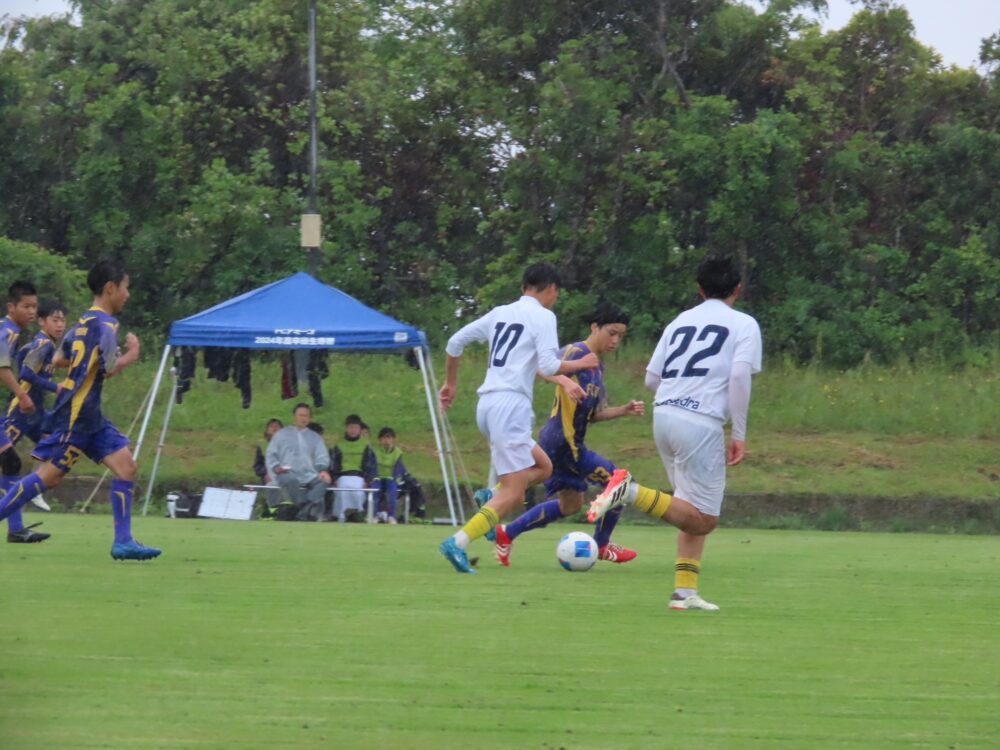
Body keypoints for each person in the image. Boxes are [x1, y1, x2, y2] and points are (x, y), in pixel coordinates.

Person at [589, 254, 762, 611]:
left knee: (687, 506)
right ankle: (629, 490)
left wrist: (679, 395)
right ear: (738, 289)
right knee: (705, 519)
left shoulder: (680, 321)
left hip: (664, 414)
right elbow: (739, 376)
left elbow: (652, 379)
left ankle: (684, 592)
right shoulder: (744, 324)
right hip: (700, 422)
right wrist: (739, 432)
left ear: (699, 289)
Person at [437, 262, 599, 573]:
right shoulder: (544, 316)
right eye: (557, 293)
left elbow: (454, 343)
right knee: (514, 492)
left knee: (544, 467)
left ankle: (491, 496)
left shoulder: (500, 312)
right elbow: (549, 365)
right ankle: (458, 542)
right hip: (511, 407)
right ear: (551, 289)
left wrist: (451, 383)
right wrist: (582, 364)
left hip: (487, 405)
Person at [0, 260, 161, 560]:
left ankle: (124, 542)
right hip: (77, 415)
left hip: (90, 415)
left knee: (126, 467)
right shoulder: (107, 325)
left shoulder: (84, 321)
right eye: (125, 288)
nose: (127, 294)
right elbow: (108, 369)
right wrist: (131, 356)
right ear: (110, 288)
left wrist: (83, 367)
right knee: (48, 477)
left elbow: (60, 359)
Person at [489, 303, 646, 566]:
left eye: (620, 336)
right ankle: (602, 546)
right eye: (611, 333)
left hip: (564, 443)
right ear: (594, 327)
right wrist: (563, 379)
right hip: (563, 442)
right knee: (621, 484)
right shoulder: (576, 352)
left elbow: (594, 415)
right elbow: (538, 366)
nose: (615, 341)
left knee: (570, 505)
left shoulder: (597, 368)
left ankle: (506, 533)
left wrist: (624, 410)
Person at [0, 282, 49, 543]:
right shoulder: (7, 331)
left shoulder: (12, 332)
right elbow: (2, 366)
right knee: (10, 462)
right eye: (26, 306)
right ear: (11, 307)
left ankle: (16, 529)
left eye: (34, 306)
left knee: (11, 462)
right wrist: (21, 394)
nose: (31, 311)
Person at [265, 404, 331, 521]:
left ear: (309, 418)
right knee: (291, 480)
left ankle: (303, 507)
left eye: (306, 416)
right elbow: (271, 454)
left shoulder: (315, 437)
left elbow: (322, 456)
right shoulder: (281, 434)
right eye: (301, 415)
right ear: (294, 417)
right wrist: (276, 467)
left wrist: (322, 470)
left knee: (324, 481)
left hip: (309, 474)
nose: (303, 418)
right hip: (286, 472)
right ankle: (303, 508)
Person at [329, 414, 376, 522]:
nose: (353, 430)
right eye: (350, 427)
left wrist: (367, 480)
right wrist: (335, 478)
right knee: (343, 490)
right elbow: (334, 464)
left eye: (356, 427)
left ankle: (357, 516)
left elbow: (370, 465)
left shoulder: (366, 445)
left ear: (360, 429)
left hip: (359, 477)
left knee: (357, 493)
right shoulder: (339, 445)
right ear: (346, 428)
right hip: (343, 476)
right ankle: (342, 517)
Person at [372, 427, 409, 524]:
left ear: (393, 439)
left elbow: (399, 468)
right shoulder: (375, 452)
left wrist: (396, 479)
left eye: (389, 438)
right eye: (384, 438)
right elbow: (372, 467)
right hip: (378, 478)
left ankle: (391, 516)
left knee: (392, 493)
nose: (386, 441)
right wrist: (374, 477)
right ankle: (374, 515)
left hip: (391, 478)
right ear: (379, 440)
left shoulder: (398, 453)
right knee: (375, 492)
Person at [252, 418, 283, 517]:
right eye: (271, 426)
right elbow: (257, 467)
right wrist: (265, 473)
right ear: (267, 431)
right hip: (269, 480)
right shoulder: (263, 447)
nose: (274, 428)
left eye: (277, 426)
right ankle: (271, 511)